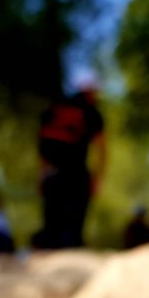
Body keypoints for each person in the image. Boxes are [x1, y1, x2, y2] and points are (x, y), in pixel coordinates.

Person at [33, 69, 106, 249]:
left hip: (52, 175)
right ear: (90, 91)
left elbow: (43, 148)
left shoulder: (53, 109)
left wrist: (42, 176)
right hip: (76, 174)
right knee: (74, 230)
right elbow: (102, 149)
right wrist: (98, 177)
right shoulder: (91, 112)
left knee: (52, 228)